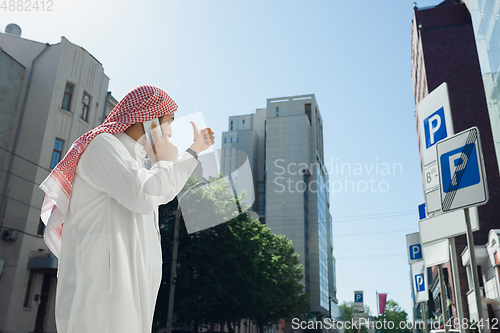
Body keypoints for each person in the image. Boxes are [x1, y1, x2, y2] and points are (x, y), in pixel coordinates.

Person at [39, 85, 214, 333]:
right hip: (103, 289)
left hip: (129, 288)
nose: (171, 132)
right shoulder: (102, 145)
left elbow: (160, 191)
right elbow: (143, 195)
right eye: (168, 122)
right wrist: (164, 160)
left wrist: (193, 151)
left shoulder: (134, 162)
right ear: (151, 118)